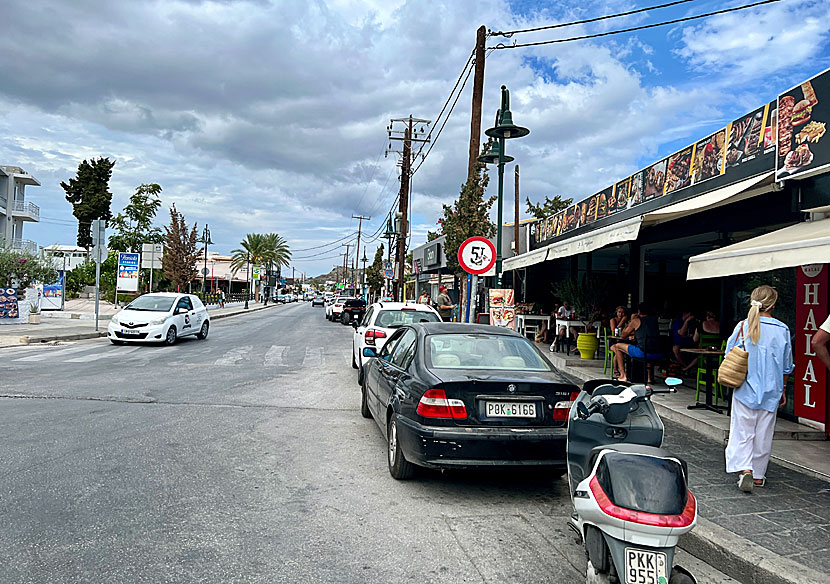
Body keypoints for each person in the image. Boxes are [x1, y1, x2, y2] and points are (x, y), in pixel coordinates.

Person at [725, 285, 793, 493]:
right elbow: (787, 364)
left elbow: (729, 353)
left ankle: (744, 468)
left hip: (745, 387)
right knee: (764, 433)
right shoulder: (782, 329)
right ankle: (758, 476)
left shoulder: (743, 326)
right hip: (771, 389)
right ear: (773, 304)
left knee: (742, 431)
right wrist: (783, 389)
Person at [611, 303, 662, 382]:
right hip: (658, 352)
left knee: (617, 346)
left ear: (639, 312)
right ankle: (648, 378)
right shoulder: (654, 320)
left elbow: (623, 335)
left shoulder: (636, 321)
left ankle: (623, 376)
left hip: (643, 352)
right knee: (648, 346)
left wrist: (630, 321)